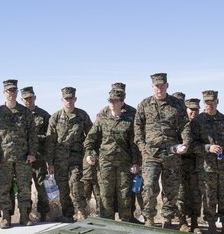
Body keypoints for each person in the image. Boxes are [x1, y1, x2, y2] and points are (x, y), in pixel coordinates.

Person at [134, 73, 190, 228]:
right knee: (149, 187)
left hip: (171, 153)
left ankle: (167, 218)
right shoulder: (144, 104)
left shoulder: (177, 104)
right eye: (156, 86)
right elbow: (137, 128)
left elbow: (185, 125)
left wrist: (185, 143)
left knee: (171, 188)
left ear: (167, 86)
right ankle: (149, 218)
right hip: (150, 154)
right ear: (152, 87)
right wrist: (142, 148)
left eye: (162, 86)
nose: (159, 89)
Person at [0, 80, 37, 229]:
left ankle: (24, 216)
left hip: (23, 158)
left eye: (14, 90)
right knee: (4, 188)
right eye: (9, 91)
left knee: (24, 187)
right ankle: (5, 217)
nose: (11, 93)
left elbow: (32, 135)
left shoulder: (25, 112)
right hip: (4, 158)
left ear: (17, 92)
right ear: (4, 93)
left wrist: (32, 153)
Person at [84, 89, 140, 221]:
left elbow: (133, 144)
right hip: (106, 162)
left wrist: (135, 163)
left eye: (115, 101)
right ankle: (107, 221)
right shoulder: (102, 119)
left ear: (122, 102)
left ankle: (125, 220)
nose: (112, 104)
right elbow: (90, 139)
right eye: (110, 101)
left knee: (124, 193)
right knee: (105, 193)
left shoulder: (129, 121)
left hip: (124, 163)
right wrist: (89, 153)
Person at [46, 88, 93, 222]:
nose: (69, 101)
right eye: (66, 99)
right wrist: (50, 163)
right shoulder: (55, 117)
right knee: (63, 189)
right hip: (59, 159)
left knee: (76, 185)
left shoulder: (82, 115)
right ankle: (68, 215)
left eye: (71, 98)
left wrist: (89, 153)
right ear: (62, 100)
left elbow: (91, 136)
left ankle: (81, 212)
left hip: (76, 158)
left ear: (75, 99)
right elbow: (50, 141)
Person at [196, 90, 224, 234]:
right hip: (206, 168)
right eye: (207, 102)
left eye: (212, 102)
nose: (210, 105)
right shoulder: (197, 122)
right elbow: (192, 145)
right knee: (209, 197)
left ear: (217, 102)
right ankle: (211, 226)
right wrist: (208, 148)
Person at [20, 87, 51, 222]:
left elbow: (50, 136)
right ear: (22, 99)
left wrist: (35, 137)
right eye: (26, 98)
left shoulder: (43, 115)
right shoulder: (19, 115)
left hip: (39, 157)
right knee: (25, 188)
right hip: (23, 159)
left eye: (30, 98)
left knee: (42, 186)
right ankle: (26, 214)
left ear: (35, 97)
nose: (28, 100)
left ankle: (44, 215)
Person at [178, 98, 204, 232]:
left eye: (196, 109)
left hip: (196, 164)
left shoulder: (201, 125)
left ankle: (194, 222)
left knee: (196, 194)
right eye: (191, 109)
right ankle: (182, 222)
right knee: (181, 194)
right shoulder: (180, 123)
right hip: (180, 164)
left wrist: (193, 147)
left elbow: (203, 144)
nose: (193, 112)